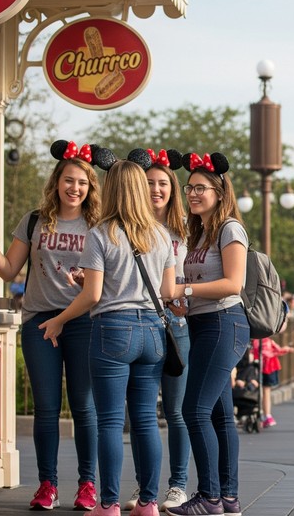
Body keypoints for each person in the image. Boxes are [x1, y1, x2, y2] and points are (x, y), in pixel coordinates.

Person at [39, 159, 177, 516]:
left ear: (112, 189)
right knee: (146, 420)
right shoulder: (161, 235)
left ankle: (110, 503)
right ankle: (148, 502)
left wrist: (59, 320)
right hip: (152, 331)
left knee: (111, 422)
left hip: (113, 330)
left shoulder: (101, 234)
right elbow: (167, 292)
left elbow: (93, 295)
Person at [0, 140, 108, 511]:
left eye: (82, 182)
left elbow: (107, 280)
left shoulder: (98, 225)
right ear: (56, 182)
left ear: (90, 187)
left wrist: (85, 281)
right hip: (39, 322)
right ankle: (47, 484)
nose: (74, 188)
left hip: (83, 321)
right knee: (46, 408)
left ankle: (87, 484)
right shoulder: (34, 220)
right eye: (69, 180)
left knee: (83, 407)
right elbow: (9, 271)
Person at [166, 151, 251, 516]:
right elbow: (200, 284)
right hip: (203, 323)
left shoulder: (230, 229)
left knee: (193, 409)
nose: (193, 194)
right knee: (219, 414)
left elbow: (234, 283)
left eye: (201, 188)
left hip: (224, 322)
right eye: (190, 188)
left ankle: (209, 496)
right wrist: (184, 302)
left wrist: (184, 290)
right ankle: (228, 497)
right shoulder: (199, 233)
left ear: (219, 192)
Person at [122, 149, 191, 511]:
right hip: (140, 323)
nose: (156, 189)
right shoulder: (129, 227)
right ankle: (144, 485)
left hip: (177, 325)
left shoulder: (187, 228)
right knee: (142, 413)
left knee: (177, 411)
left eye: (163, 183)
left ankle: (178, 485)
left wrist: (188, 298)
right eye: (149, 183)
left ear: (172, 189)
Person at [256, 336, 294, 426]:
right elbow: (278, 350)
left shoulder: (255, 342)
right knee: (266, 391)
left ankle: (263, 414)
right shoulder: (268, 341)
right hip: (269, 367)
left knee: (260, 391)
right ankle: (267, 415)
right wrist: (287, 349)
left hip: (257, 368)